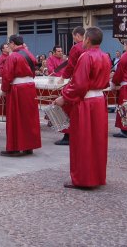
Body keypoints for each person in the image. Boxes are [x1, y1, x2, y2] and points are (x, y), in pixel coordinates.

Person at [54, 27, 110, 190]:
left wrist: (64, 97)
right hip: (99, 101)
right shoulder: (105, 56)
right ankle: (97, 176)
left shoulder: (86, 57)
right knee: (97, 140)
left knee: (82, 140)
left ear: (87, 39)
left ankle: (82, 178)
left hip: (85, 103)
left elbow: (79, 84)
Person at [0, 34, 41, 157]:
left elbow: (7, 76)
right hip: (30, 87)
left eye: (9, 44)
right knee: (29, 118)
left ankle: (14, 148)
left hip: (17, 89)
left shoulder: (13, 57)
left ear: (12, 43)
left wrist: (4, 89)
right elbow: (34, 71)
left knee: (15, 118)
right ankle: (29, 147)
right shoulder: (29, 54)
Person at [54, 26, 87, 146]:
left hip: (76, 82)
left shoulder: (77, 47)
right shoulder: (93, 49)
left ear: (78, 36)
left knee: (67, 107)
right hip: (90, 87)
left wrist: (63, 77)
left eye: (74, 37)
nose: (74, 39)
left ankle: (68, 134)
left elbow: (71, 65)